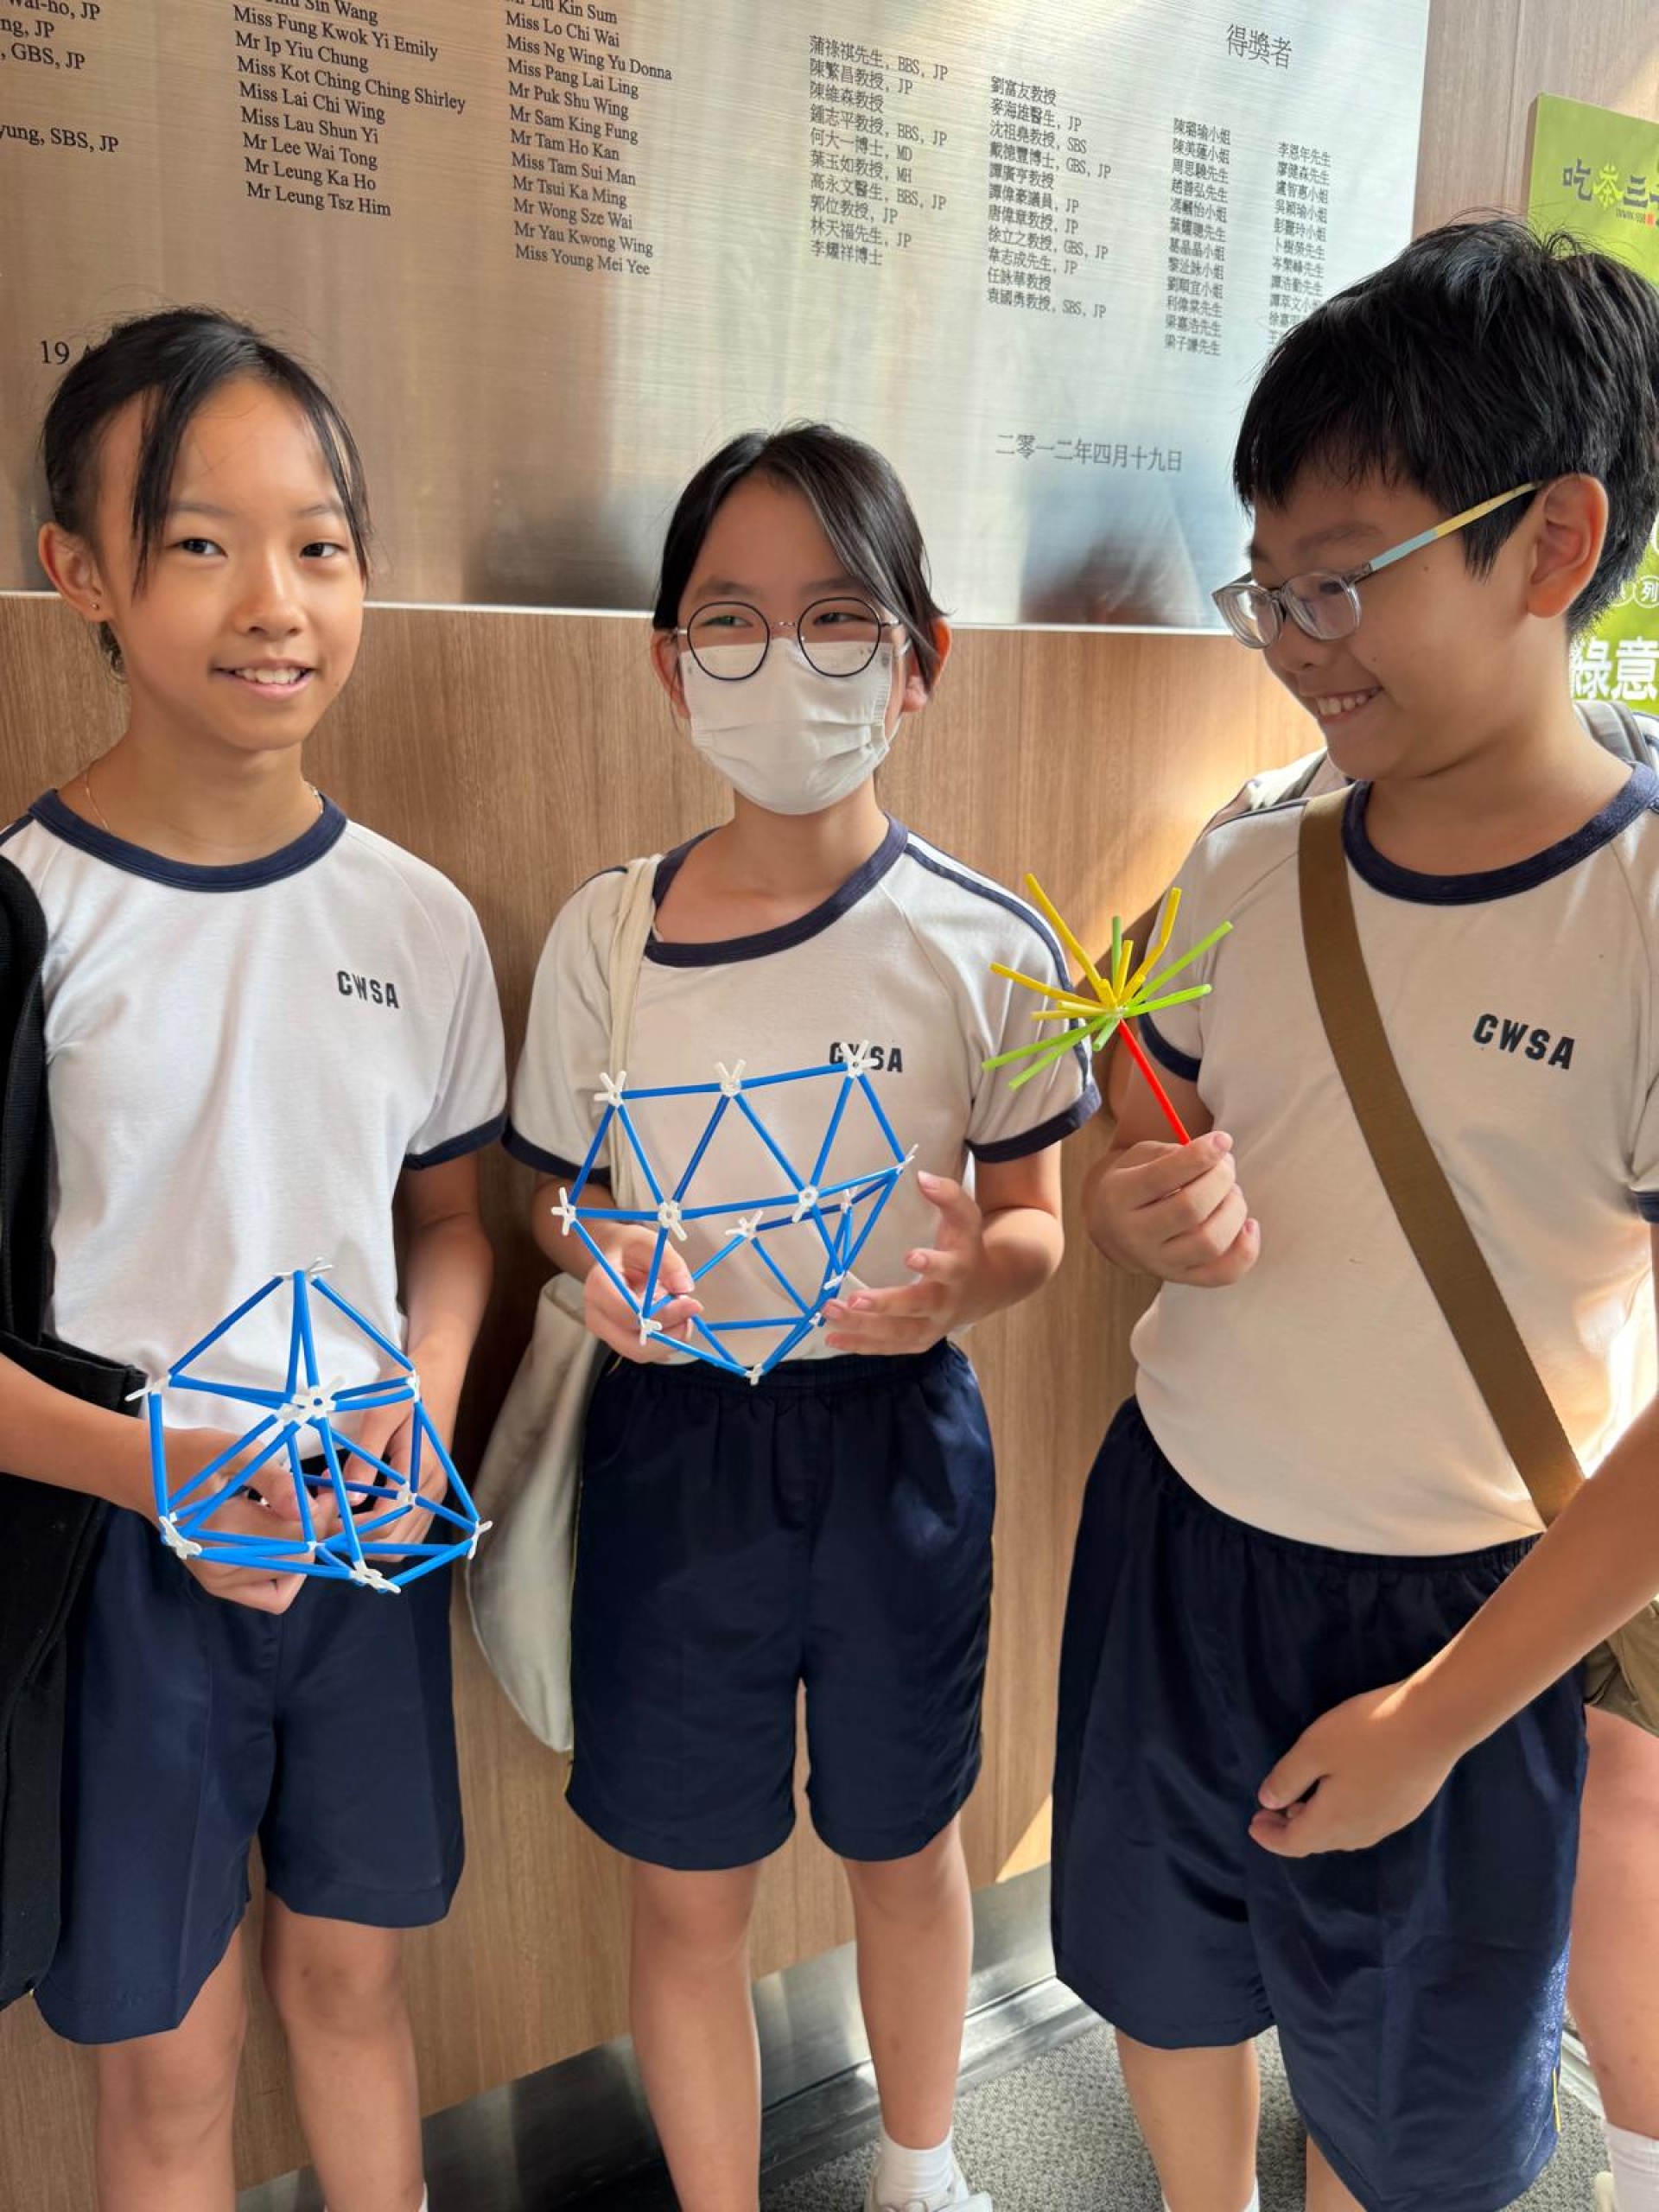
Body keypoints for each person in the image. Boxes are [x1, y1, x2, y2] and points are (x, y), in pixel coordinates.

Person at [1053, 218, 1659, 2212]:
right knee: (1165, 1974)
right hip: (1180, 1531)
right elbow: (1143, 1104)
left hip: (1460, 1612)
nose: (1295, 638)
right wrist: (1134, 1203)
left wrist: (1435, 1717)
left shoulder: (1638, 916)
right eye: (1270, 588)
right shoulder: (1250, 856)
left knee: (1411, 2104)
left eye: (1341, 578)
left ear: (1551, 544)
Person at [505, 423, 1096, 2212]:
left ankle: (921, 2173)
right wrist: (595, 1263)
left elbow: (1035, 1226)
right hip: (675, 1451)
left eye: (838, 617)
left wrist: (970, 1280)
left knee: (906, 1851)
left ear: (918, 660)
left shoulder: (993, 941)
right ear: (671, 665)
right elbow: (547, 1200)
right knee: (686, 1892)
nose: (786, 663)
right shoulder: (607, 936)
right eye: (733, 621)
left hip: (895, 1447)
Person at [4, 308, 505, 2212]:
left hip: (364, 1532)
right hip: (117, 1560)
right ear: (82, 572)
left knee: (355, 1989)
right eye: (202, 542)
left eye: (320, 544)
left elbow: (448, 1226)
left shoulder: (420, 920)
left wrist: (415, 1407)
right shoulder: (26, 919)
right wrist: (163, 1470)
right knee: (170, 2068)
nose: (275, 602)